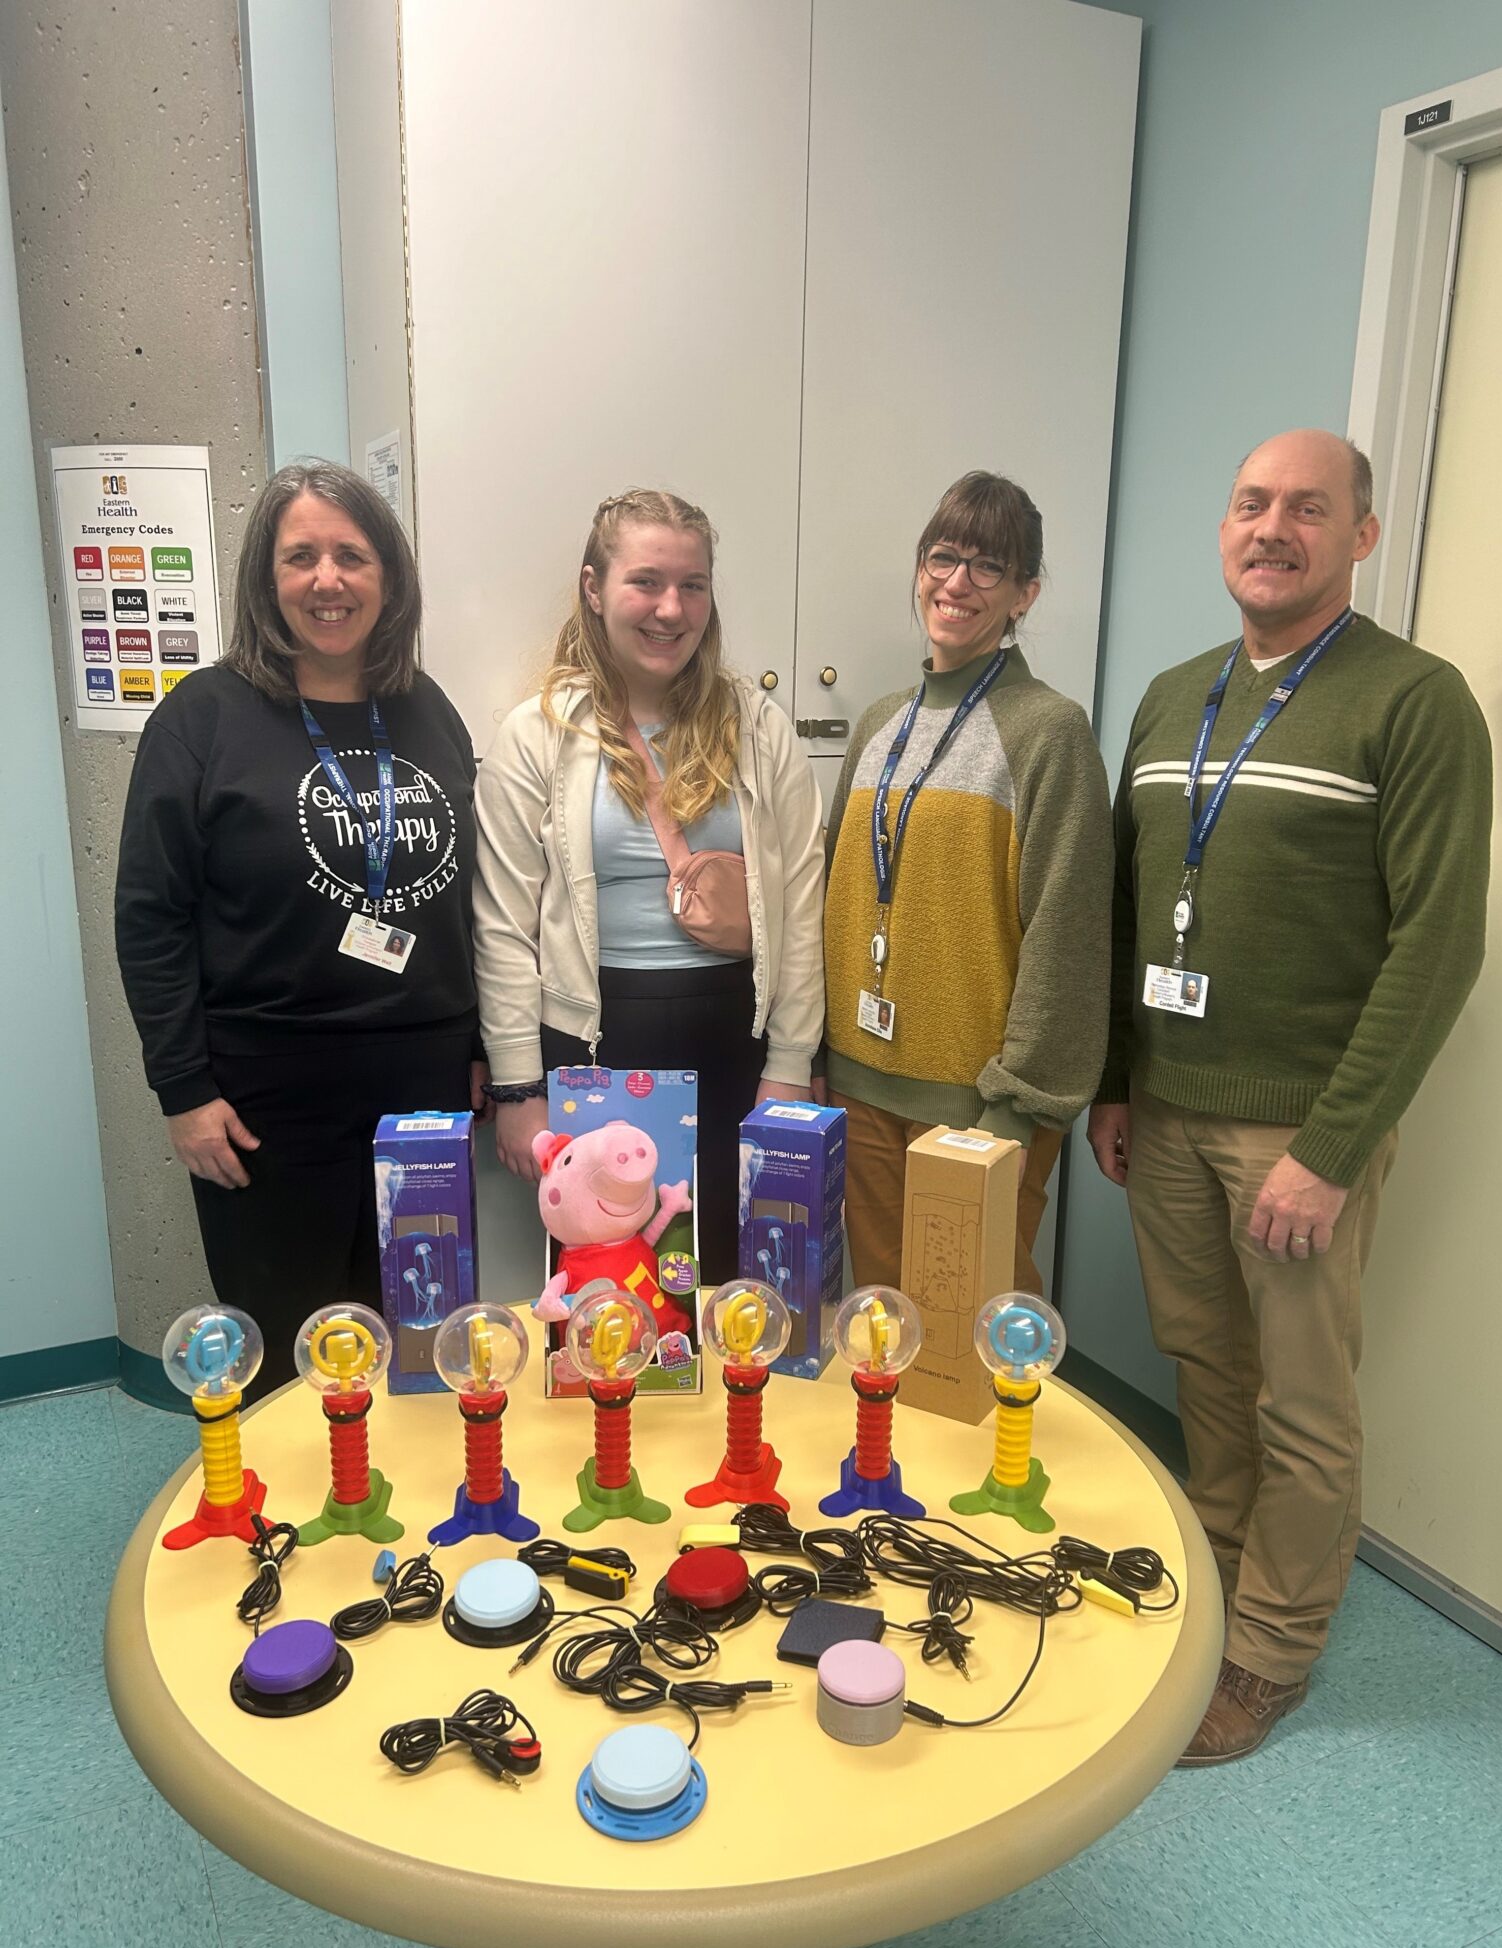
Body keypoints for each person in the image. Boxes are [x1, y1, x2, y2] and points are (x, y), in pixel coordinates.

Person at [1088, 429, 1492, 1765]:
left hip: (1297, 1131)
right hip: (1169, 1102)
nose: (1273, 528)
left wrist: (1332, 1147)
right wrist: (1112, 1083)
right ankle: (1213, 1559)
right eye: (1251, 503)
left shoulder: (1415, 701)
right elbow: (1129, 904)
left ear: (1360, 536)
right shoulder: (1170, 695)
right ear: (1223, 531)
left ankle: (1270, 1653)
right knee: (1205, 1358)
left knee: (1303, 1401)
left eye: (1308, 509)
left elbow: (1439, 945)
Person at [116, 460, 485, 1394]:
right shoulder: (201, 719)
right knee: (292, 1352)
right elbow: (150, 914)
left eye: (353, 556)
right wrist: (182, 1089)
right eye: (301, 557)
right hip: (266, 1098)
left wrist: (481, 1043)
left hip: (422, 1084)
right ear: (265, 581)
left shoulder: (425, 709)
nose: (329, 580)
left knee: (419, 1340)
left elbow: (473, 896)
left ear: (388, 579)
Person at [474, 488, 824, 1283]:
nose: (671, 608)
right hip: (591, 1042)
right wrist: (520, 1081)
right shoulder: (537, 734)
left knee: (730, 1279)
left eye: (693, 585)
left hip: (738, 1039)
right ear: (594, 589)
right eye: (646, 582)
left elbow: (801, 904)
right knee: (605, 1283)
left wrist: (792, 1064)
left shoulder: (760, 729)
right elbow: (502, 925)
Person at [822, 470, 1113, 1291]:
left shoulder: (1049, 730)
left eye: (988, 567)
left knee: (966, 1345)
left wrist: (1015, 1105)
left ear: (1025, 593)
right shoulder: (880, 724)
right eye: (943, 557)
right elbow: (841, 894)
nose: (958, 582)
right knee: (880, 1327)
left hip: (981, 1102)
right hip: (858, 1084)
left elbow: (1069, 930)